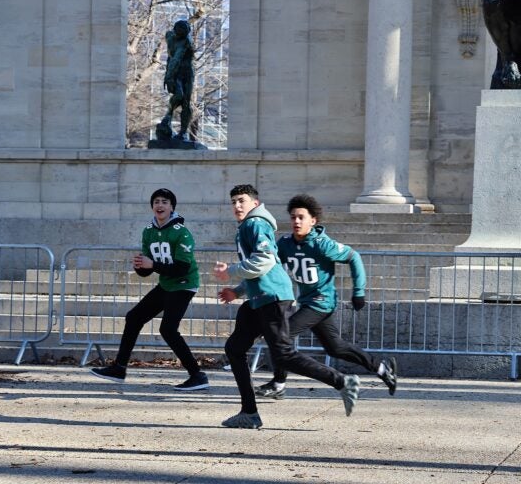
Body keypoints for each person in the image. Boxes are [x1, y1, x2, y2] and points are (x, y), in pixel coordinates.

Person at [214, 184, 360, 429]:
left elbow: (264, 260)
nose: (237, 206)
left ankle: (342, 381)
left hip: (271, 298)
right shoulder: (249, 225)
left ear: (255, 203)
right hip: (259, 298)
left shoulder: (255, 224)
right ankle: (249, 413)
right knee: (235, 348)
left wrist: (230, 271)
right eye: (233, 202)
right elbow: (264, 267)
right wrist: (237, 290)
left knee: (283, 355)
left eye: (242, 201)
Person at [256, 194, 397, 400]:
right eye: (293, 217)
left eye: (301, 217)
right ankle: (382, 368)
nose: (296, 221)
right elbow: (270, 265)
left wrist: (358, 292)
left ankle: (278, 384)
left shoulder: (322, 244)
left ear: (313, 221)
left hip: (321, 302)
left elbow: (354, 257)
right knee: (335, 348)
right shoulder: (285, 244)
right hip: (307, 302)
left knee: (281, 338)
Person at [90, 188, 209, 391]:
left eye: (164, 201)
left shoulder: (182, 232)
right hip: (166, 284)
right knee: (134, 317)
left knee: (168, 329)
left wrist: (152, 265)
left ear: (172, 207)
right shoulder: (148, 231)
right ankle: (119, 368)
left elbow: (183, 267)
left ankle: (197, 375)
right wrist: (140, 267)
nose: (160, 205)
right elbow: (147, 270)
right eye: (156, 201)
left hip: (184, 284)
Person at [156, 20, 195, 141]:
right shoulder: (169, 36)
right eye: (180, 31)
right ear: (175, 30)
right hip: (176, 72)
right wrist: (169, 76)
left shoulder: (186, 42)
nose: (182, 34)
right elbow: (172, 58)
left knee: (186, 103)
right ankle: (168, 115)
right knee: (178, 95)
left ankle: (182, 132)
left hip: (187, 73)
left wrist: (168, 76)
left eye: (185, 32)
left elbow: (176, 58)